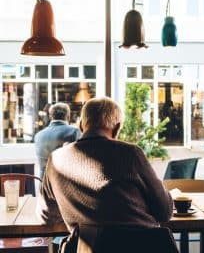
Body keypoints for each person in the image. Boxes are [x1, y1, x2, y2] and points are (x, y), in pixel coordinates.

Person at [36, 97, 174, 252]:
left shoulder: (56, 159)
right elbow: (164, 212)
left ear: (81, 125)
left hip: (86, 248)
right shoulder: (130, 154)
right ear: (116, 129)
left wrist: (79, 213)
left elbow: (46, 216)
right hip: (142, 247)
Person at [34, 102, 81, 179]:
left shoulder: (38, 135)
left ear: (50, 117)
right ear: (68, 116)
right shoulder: (74, 132)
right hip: (65, 184)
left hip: (43, 183)